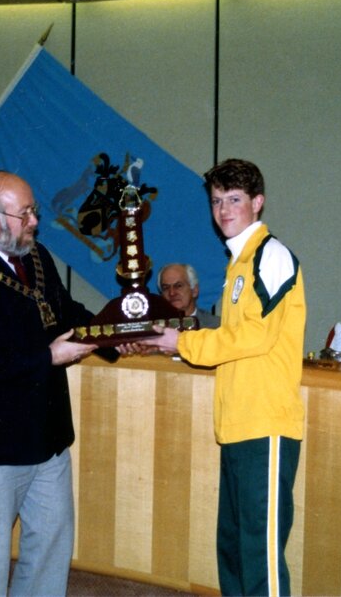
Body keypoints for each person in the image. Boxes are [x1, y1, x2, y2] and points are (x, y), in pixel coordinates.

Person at [0, 170, 108, 596]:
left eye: (34, 211)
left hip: (47, 439)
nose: (35, 221)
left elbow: (69, 313)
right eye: (26, 213)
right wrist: (49, 356)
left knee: (50, 547)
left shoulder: (38, 258)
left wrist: (118, 334)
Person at [136, 158, 305, 596]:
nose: (224, 210)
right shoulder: (239, 263)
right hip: (236, 426)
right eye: (216, 201)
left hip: (265, 425)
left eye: (234, 200)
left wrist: (182, 343)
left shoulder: (272, 256)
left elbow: (255, 336)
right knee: (232, 551)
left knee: (260, 557)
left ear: (257, 202)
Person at [158, 262, 220, 328]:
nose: (172, 293)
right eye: (166, 288)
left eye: (178, 286)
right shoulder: (154, 328)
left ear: (194, 291)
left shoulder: (216, 326)